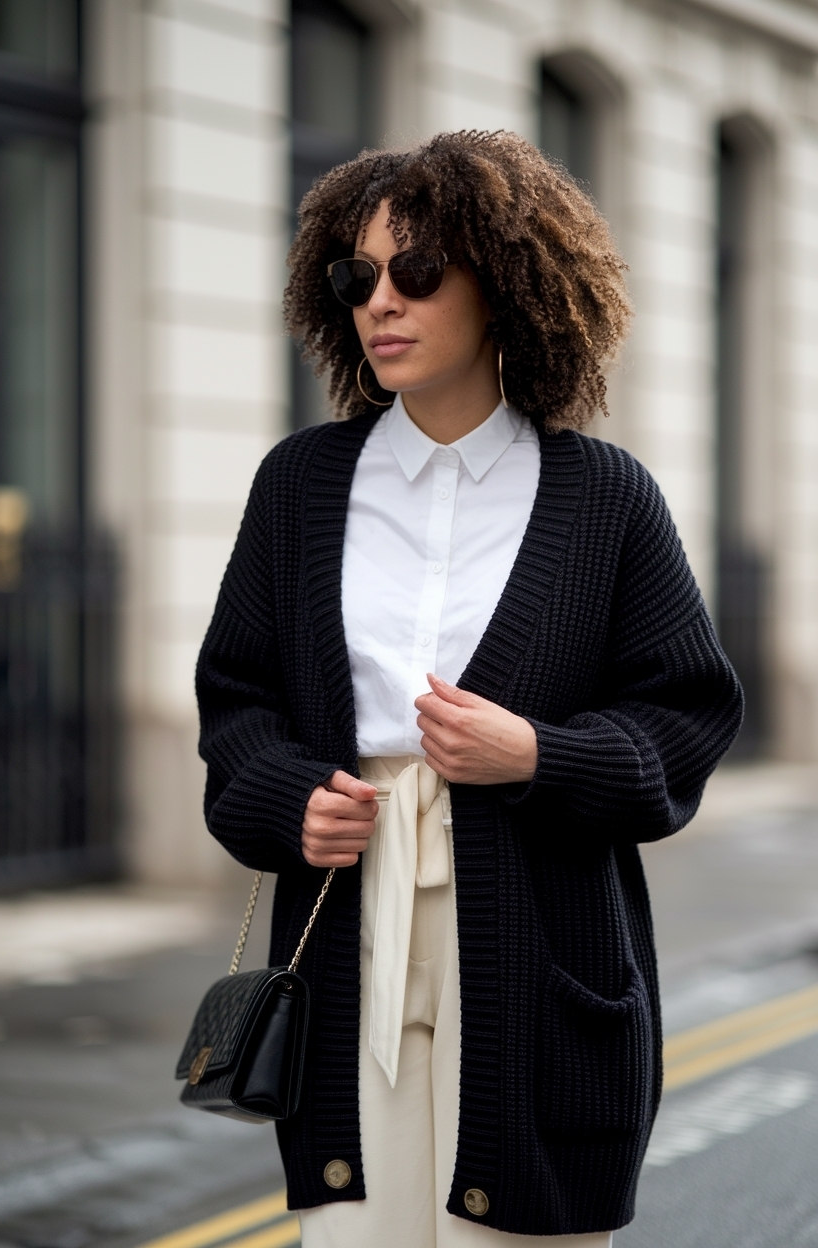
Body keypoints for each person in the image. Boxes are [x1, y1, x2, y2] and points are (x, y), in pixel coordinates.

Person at [196, 130, 743, 1247]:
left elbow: (683, 717)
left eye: (417, 272)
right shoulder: (300, 486)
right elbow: (233, 701)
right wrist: (288, 796)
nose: (379, 302)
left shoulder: (603, 500)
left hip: (541, 943)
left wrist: (539, 755)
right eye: (357, 277)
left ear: (504, 286)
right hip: (350, 923)